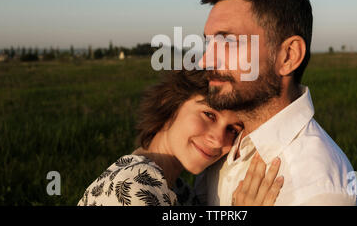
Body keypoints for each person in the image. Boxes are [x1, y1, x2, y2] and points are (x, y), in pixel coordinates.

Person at [194, 0, 357, 206]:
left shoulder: (318, 188)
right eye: (209, 43)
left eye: (228, 42)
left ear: (288, 56)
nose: (205, 61)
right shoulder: (224, 140)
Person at [78, 69, 283, 206]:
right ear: (171, 102)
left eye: (232, 129)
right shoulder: (133, 188)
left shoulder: (177, 187)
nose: (219, 140)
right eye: (209, 115)